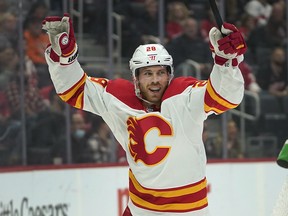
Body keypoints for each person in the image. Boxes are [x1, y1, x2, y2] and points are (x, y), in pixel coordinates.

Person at [42, 13, 247, 216]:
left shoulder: (186, 97)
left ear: (170, 75)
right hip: (142, 210)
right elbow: (74, 89)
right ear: (136, 78)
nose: (155, 80)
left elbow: (226, 97)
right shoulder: (118, 99)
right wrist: (65, 59)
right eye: (148, 74)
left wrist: (226, 62)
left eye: (160, 73)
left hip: (190, 212)